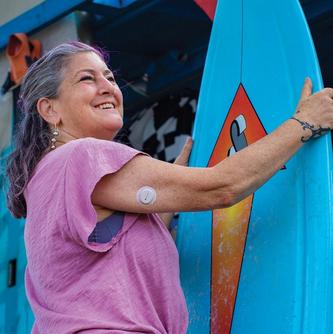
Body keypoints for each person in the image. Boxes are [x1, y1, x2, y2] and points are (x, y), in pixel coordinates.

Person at [6, 41, 333, 334]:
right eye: (87, 79)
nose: (106, 87)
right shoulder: (84, 156)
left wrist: (170, 194)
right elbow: (223, 187)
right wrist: (303, 123)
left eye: (108, 77)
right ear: (50, 109)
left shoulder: (46, 180)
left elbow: (117, 253)